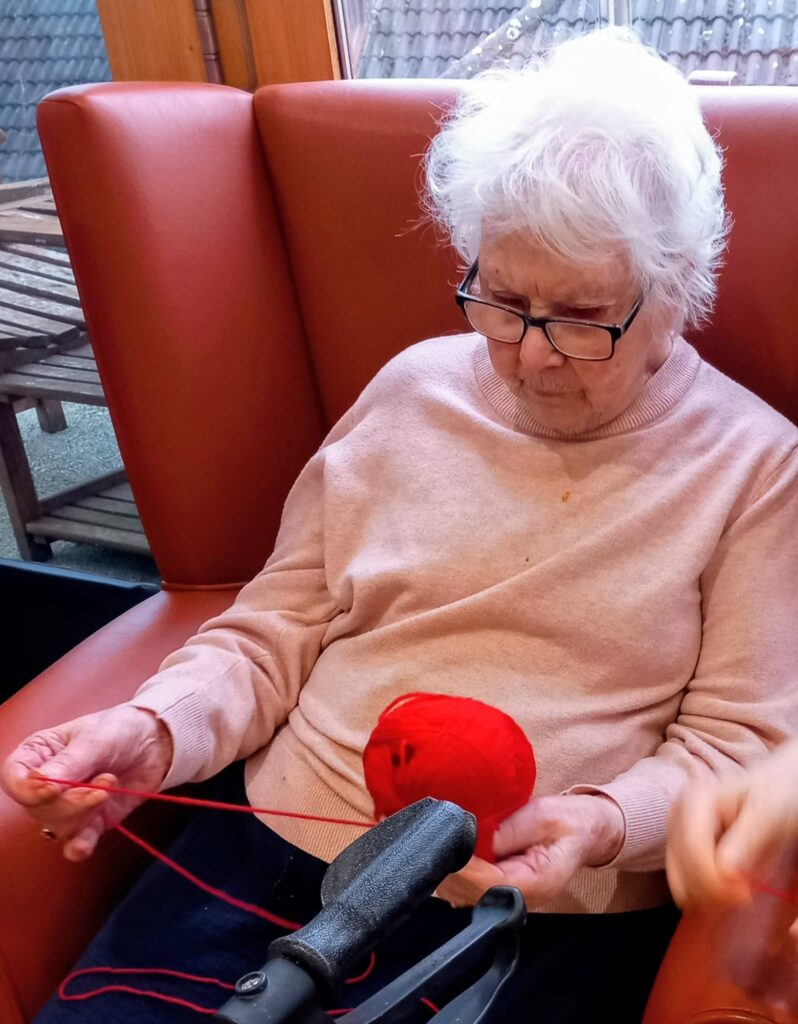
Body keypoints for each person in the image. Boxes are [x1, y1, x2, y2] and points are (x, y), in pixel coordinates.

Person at [4, 27, 798, 1024]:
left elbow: (741, 746)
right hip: (271, 844)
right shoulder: (411, 388)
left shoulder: (758, 467)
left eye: (583, 316)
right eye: (502, 300)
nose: (531, 356)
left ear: (678, 291)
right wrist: (156, 727)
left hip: (520, 902)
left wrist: (600, 822)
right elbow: (273, 628)